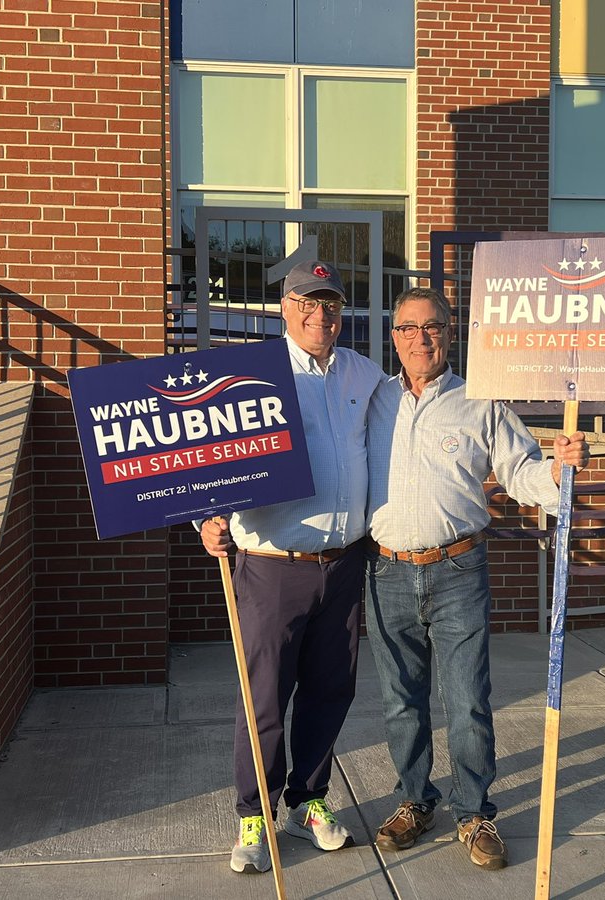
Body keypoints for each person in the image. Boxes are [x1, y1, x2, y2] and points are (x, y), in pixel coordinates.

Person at [365, 286, 590, 870]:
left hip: (458, 568)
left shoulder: (479, 401)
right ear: (394, 337)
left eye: (433, 327)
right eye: (409, 328)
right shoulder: (371, 401)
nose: (422, 338)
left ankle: (473, 812)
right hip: (386, 569)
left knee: (466, 699)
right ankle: (416, 801)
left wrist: (560, 468)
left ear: (450, 331)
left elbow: (521, 471)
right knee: (400, 701)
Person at [200, 260, 385, 875]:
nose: (320, 314)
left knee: (331, 690)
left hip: (344, 562)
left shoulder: (365, 373)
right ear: (285, 307)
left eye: (329, 303)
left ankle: (308, 802)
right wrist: (207, 517)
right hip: (272, 565)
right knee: (265, 695)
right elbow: (204, 452)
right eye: (307, 301)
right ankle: (256, 814)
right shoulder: (253, 374)